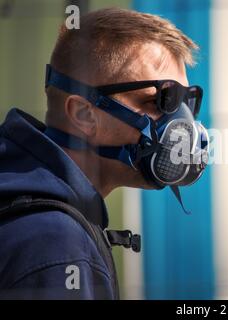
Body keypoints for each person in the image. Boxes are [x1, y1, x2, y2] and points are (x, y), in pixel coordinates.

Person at [0, 7, 207, 299]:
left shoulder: (25, 194)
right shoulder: (55, 243)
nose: (183, 125)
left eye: (187, 101)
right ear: (84, 114)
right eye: (160, 101)